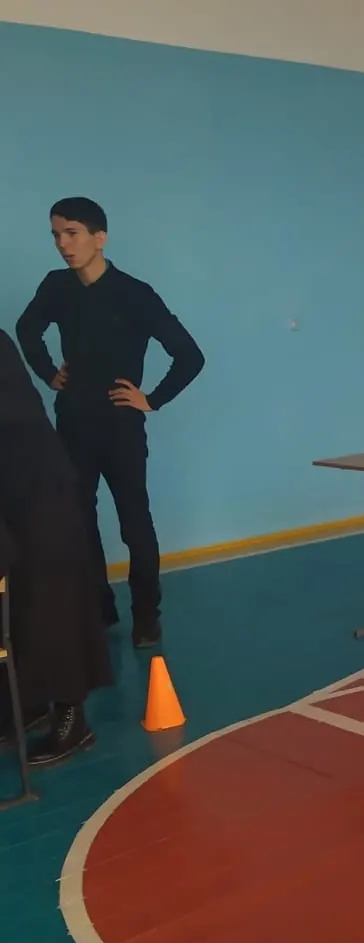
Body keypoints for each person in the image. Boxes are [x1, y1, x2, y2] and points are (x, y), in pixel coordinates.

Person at [16, 196, 205, 649]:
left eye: (72, 233)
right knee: (79, 519)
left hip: (120, 427)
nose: (63, 244)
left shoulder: (135, 294)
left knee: (134, 522)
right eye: (56, 235)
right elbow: (26, 330)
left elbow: (190, 355)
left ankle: (147, 617)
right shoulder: (56, 287)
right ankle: (99, 610)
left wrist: (152, 400)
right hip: (72, 424)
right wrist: (48, 372)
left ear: (99, 238)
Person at [0, 328, 112, 766]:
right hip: (12, 495)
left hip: (39, 493)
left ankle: (72, 718)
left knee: (52, 606)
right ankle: (25, 706)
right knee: (15, 606)